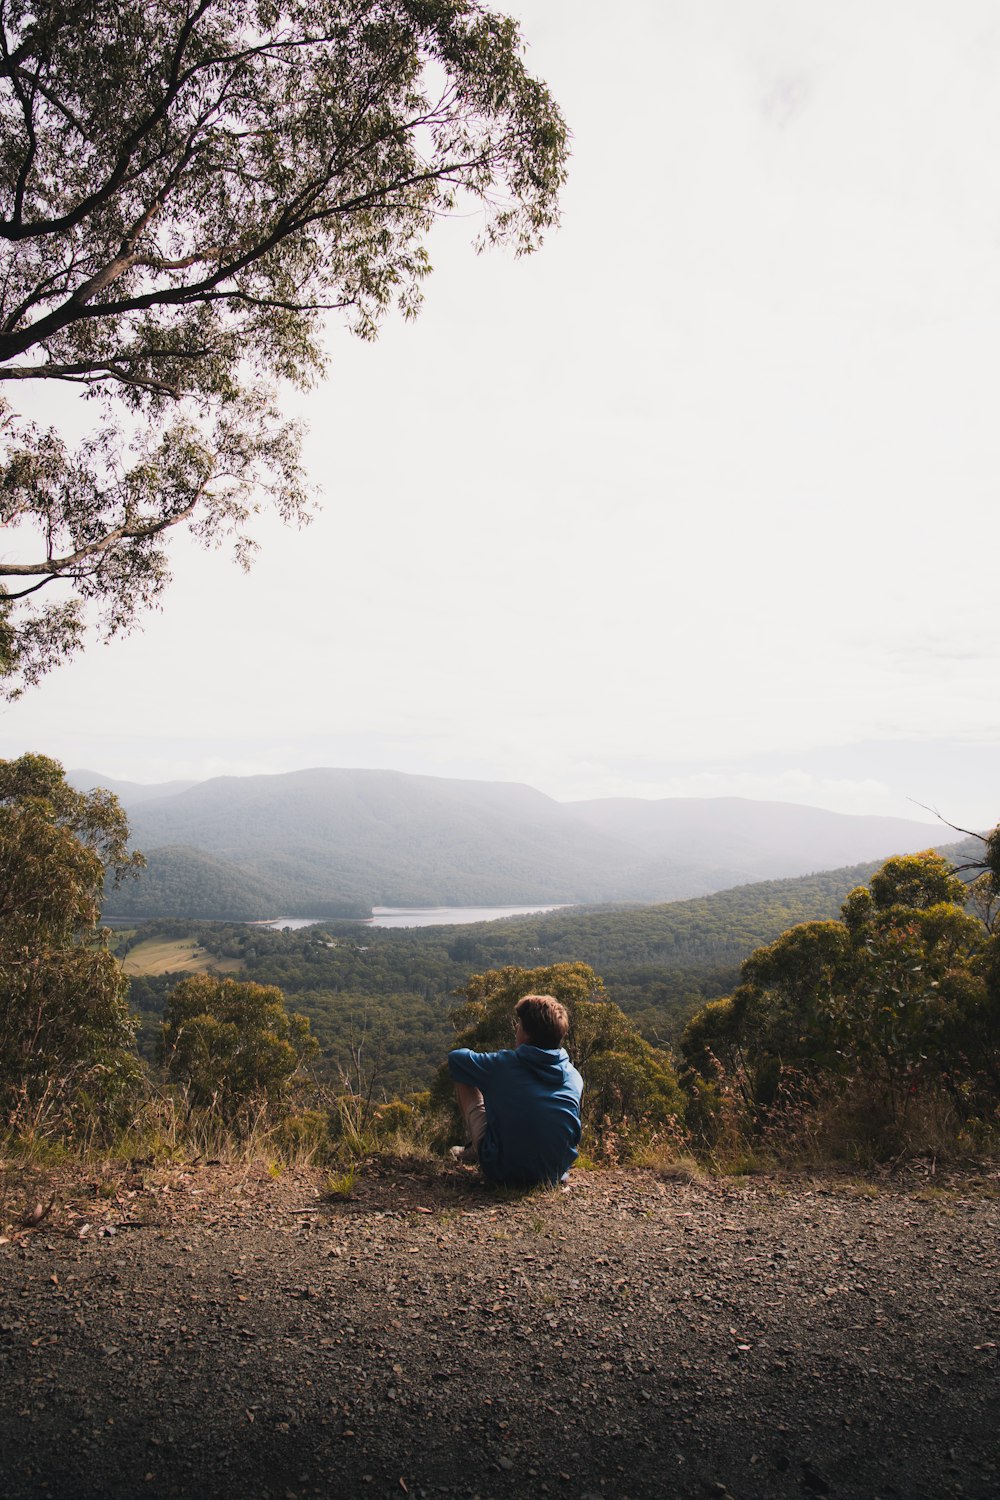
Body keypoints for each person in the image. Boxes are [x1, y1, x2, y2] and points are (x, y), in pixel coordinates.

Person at [448, 993, 583, 1187]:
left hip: (503, 1170)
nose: (516, 1029)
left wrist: (491, 1078)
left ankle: (477, 1150)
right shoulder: (574, 1076)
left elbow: (456, 1060)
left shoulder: (503, 1065)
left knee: (464, 1075)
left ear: (527, 1034)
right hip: (554, 1174)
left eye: (519, 1025)